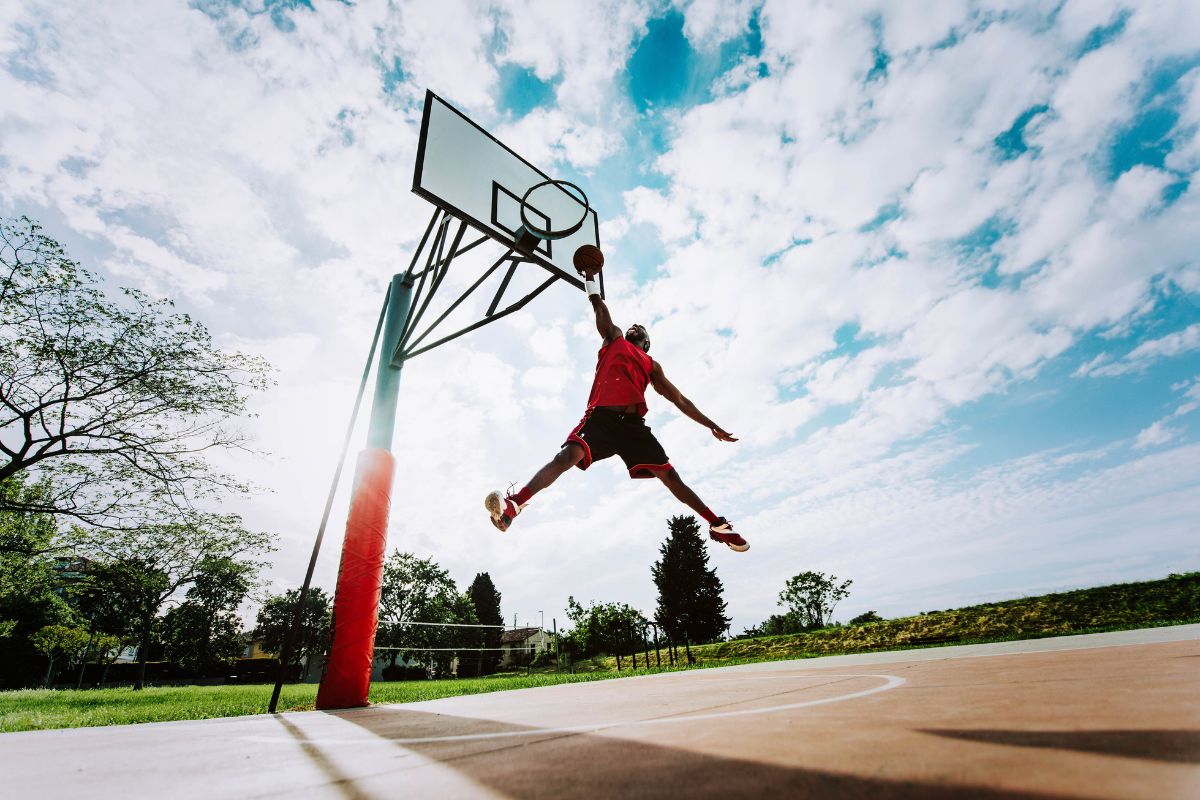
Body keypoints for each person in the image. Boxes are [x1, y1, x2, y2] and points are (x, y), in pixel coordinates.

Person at [485, 260, 748, 552]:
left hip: (633, 428)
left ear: (646, 343)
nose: (634, 326)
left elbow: (680, 400)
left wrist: (711, 425)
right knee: (566, 456)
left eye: (641, 328)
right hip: (601, 419)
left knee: (670, 476)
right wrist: (591, 280)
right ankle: (514, 506)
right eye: (634, 325)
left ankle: (717, 525)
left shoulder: (651, 365)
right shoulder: (615, 339)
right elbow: (600, 309)